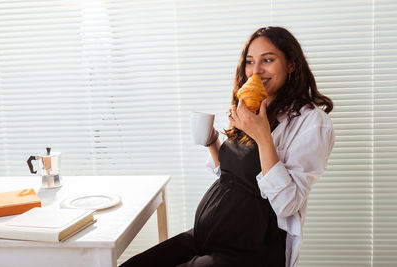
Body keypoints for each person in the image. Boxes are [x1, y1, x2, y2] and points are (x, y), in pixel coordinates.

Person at [120, 26, 335, 267]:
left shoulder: (311, 123)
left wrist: (263, 137)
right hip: (205, 236)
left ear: (291, 64)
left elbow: (287, 203)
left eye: (268, 60)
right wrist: (213, 142)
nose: (256, 70)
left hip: (247, 250)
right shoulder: (251, 105)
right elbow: (235, 176)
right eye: (250, 61)